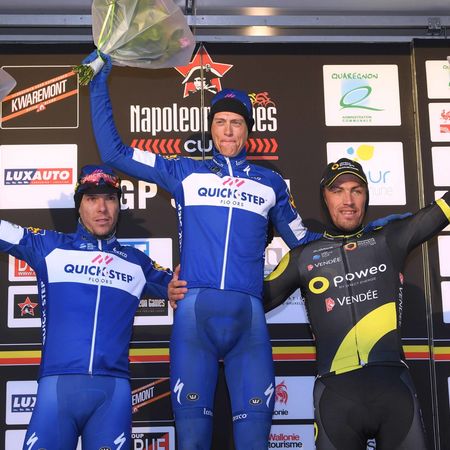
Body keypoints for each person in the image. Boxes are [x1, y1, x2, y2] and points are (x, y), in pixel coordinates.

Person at [84, 50, 323, 450]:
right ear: (211, 129)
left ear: (248, 130)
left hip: (248, 322)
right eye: (220, 122)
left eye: (236, 123)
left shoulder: (270, 183)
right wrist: (98, 82)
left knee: (254, 443)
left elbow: (304, 241)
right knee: (192, 442)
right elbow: (115, 153)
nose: (228, 131)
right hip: (195, 320)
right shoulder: (184, 171)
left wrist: (365, 239)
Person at [262, 158, 450, 450]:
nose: (347, 200)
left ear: (366, 196)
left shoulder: (389, 238)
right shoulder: (302, 256)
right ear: (325, 198)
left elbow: (442, 210)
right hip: (336, 398)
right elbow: (251, 300)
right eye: (337, 191)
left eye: (356, 190)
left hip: (394, 391)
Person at [0, 164, 173, 450]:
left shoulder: (137, 263)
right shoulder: (49, 247)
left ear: (119, 205)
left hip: (112, 396)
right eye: (92, 199)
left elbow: (184, 288)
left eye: (110, 199)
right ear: (79, 206)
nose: (102, 208)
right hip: (57, 392)